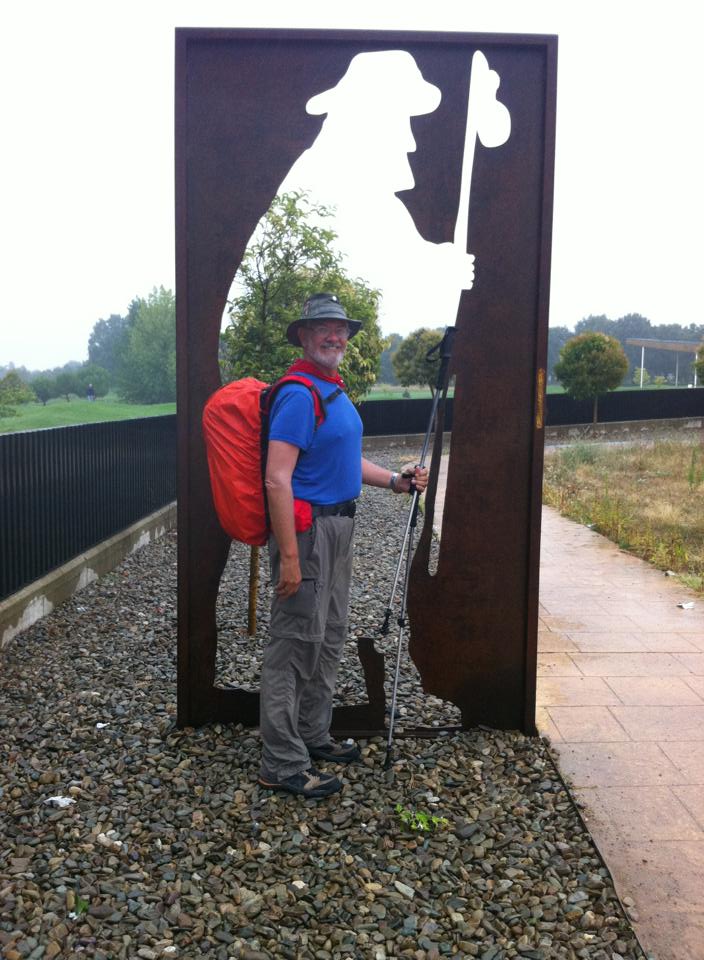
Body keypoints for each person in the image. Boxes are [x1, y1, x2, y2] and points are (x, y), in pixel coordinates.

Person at [257, 292, 428, 799]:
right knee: (292, 644)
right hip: (307, 535)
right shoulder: (297, 394)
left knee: (329, 636)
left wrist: (396, 481)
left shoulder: (332, 391)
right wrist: (288, 556)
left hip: (340, 529)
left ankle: (312, 734)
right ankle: (282, 761)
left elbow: (344, 463)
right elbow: (277, 479)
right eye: (323, 328)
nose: (335, 336)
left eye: (341, 329)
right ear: (305, 338)